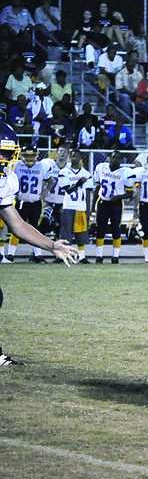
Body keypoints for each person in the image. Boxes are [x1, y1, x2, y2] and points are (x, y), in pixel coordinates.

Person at [0, 122, 77, 364]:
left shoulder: (6, 180)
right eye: (0, 151)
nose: (4, 158)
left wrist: (52, 245)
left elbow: (18, 225)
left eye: (8, 152)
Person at [7, 146, 50, 263]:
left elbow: (51, 180)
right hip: (21, 201)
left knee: (36, 228)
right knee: (15, 227)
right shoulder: (16, 165)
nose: (30, 158)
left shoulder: (42, 167)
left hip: (36, 202)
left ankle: (37, 254)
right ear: (22, 155)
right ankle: (10, 254)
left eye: (32, 155)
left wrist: (45, 191)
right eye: (27, 155)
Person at [92, 150, 135, 264]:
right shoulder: (101, 167)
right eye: (114, 157)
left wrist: (117, 197)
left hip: (116, 204)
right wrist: (92, 207)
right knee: (100, 228)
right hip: (103, 202)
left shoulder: (126, 172)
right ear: (109, 158)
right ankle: (99, 256)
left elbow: (130, 193)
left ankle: (115, 256)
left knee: (116, 229)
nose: (116, 160)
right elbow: (97, 188)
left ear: (121, 160)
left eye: (118, 158)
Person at [57, 148, 92, 264]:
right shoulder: (64, 172)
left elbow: (87, 194)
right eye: (72, 156)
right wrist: (78, 183)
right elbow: (68, 190)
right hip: (69, 206)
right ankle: (63, 255)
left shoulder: (86, 174)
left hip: (81, 207)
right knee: (66, 233)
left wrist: (88, 210)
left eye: (76, 156)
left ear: (80, 157)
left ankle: (82, 256)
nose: (74, 158)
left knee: (81, 234)